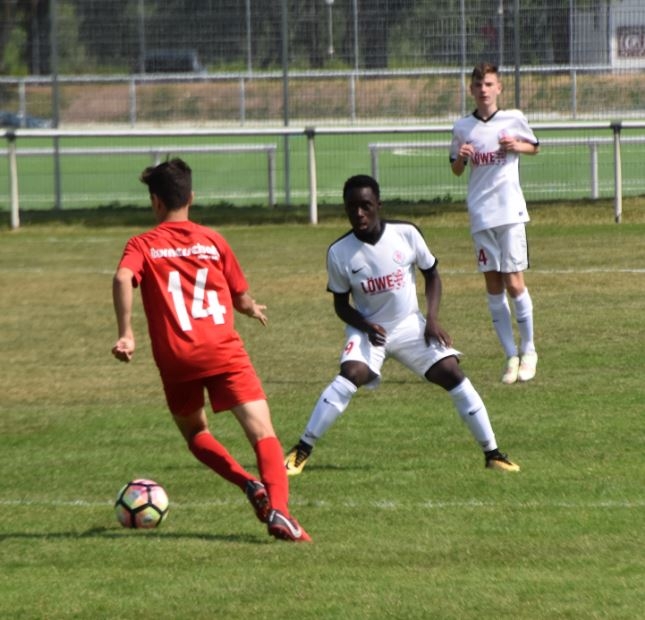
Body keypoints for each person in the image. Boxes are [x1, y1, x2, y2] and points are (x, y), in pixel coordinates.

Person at [111, 158, 310, 542]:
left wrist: (127, 334)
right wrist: (251, 308)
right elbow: (240, 295)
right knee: (262, 432)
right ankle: (281, 512)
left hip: (177, 357)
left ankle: (248, 484)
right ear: (191, 197)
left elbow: (122, 278)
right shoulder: (213, 240)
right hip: (223, 351)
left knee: (196, 433)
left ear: (155, 202)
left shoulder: (142, 244)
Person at [284, 174, 519, 476]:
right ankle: (302, 449)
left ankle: (493, 454)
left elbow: (431, 274)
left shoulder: (406, 233)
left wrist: (431, 319)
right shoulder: (339, 252)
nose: (359, 213)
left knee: (452, 372)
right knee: (351, 374)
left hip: (410, 325)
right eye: (352, 207)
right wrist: (365, 326)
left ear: (378, 205)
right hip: (370, 330)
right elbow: (341, 305)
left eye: (366, 206)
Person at [450, 62, 540, 385]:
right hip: (481, 215)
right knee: (493, 285)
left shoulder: (513, 119)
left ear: (498, 88)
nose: (483, 90)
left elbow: (535, 147)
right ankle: (510, 356)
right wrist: (462, 157)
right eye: (478, 85)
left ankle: (529, 350)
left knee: (514, 282)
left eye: (489, 84)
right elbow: (456, 168)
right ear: (471, 90)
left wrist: (517, 146)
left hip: (510, 213)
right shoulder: (463, 127)